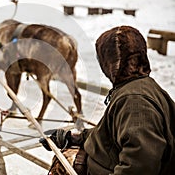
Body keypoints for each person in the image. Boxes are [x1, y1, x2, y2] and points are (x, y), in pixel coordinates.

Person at [40, 26, 175, 175]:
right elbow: (110, 136)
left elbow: (140, 166)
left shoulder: (135, 102)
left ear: (111, 62)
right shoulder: (137, 87)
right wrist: (73, 138)